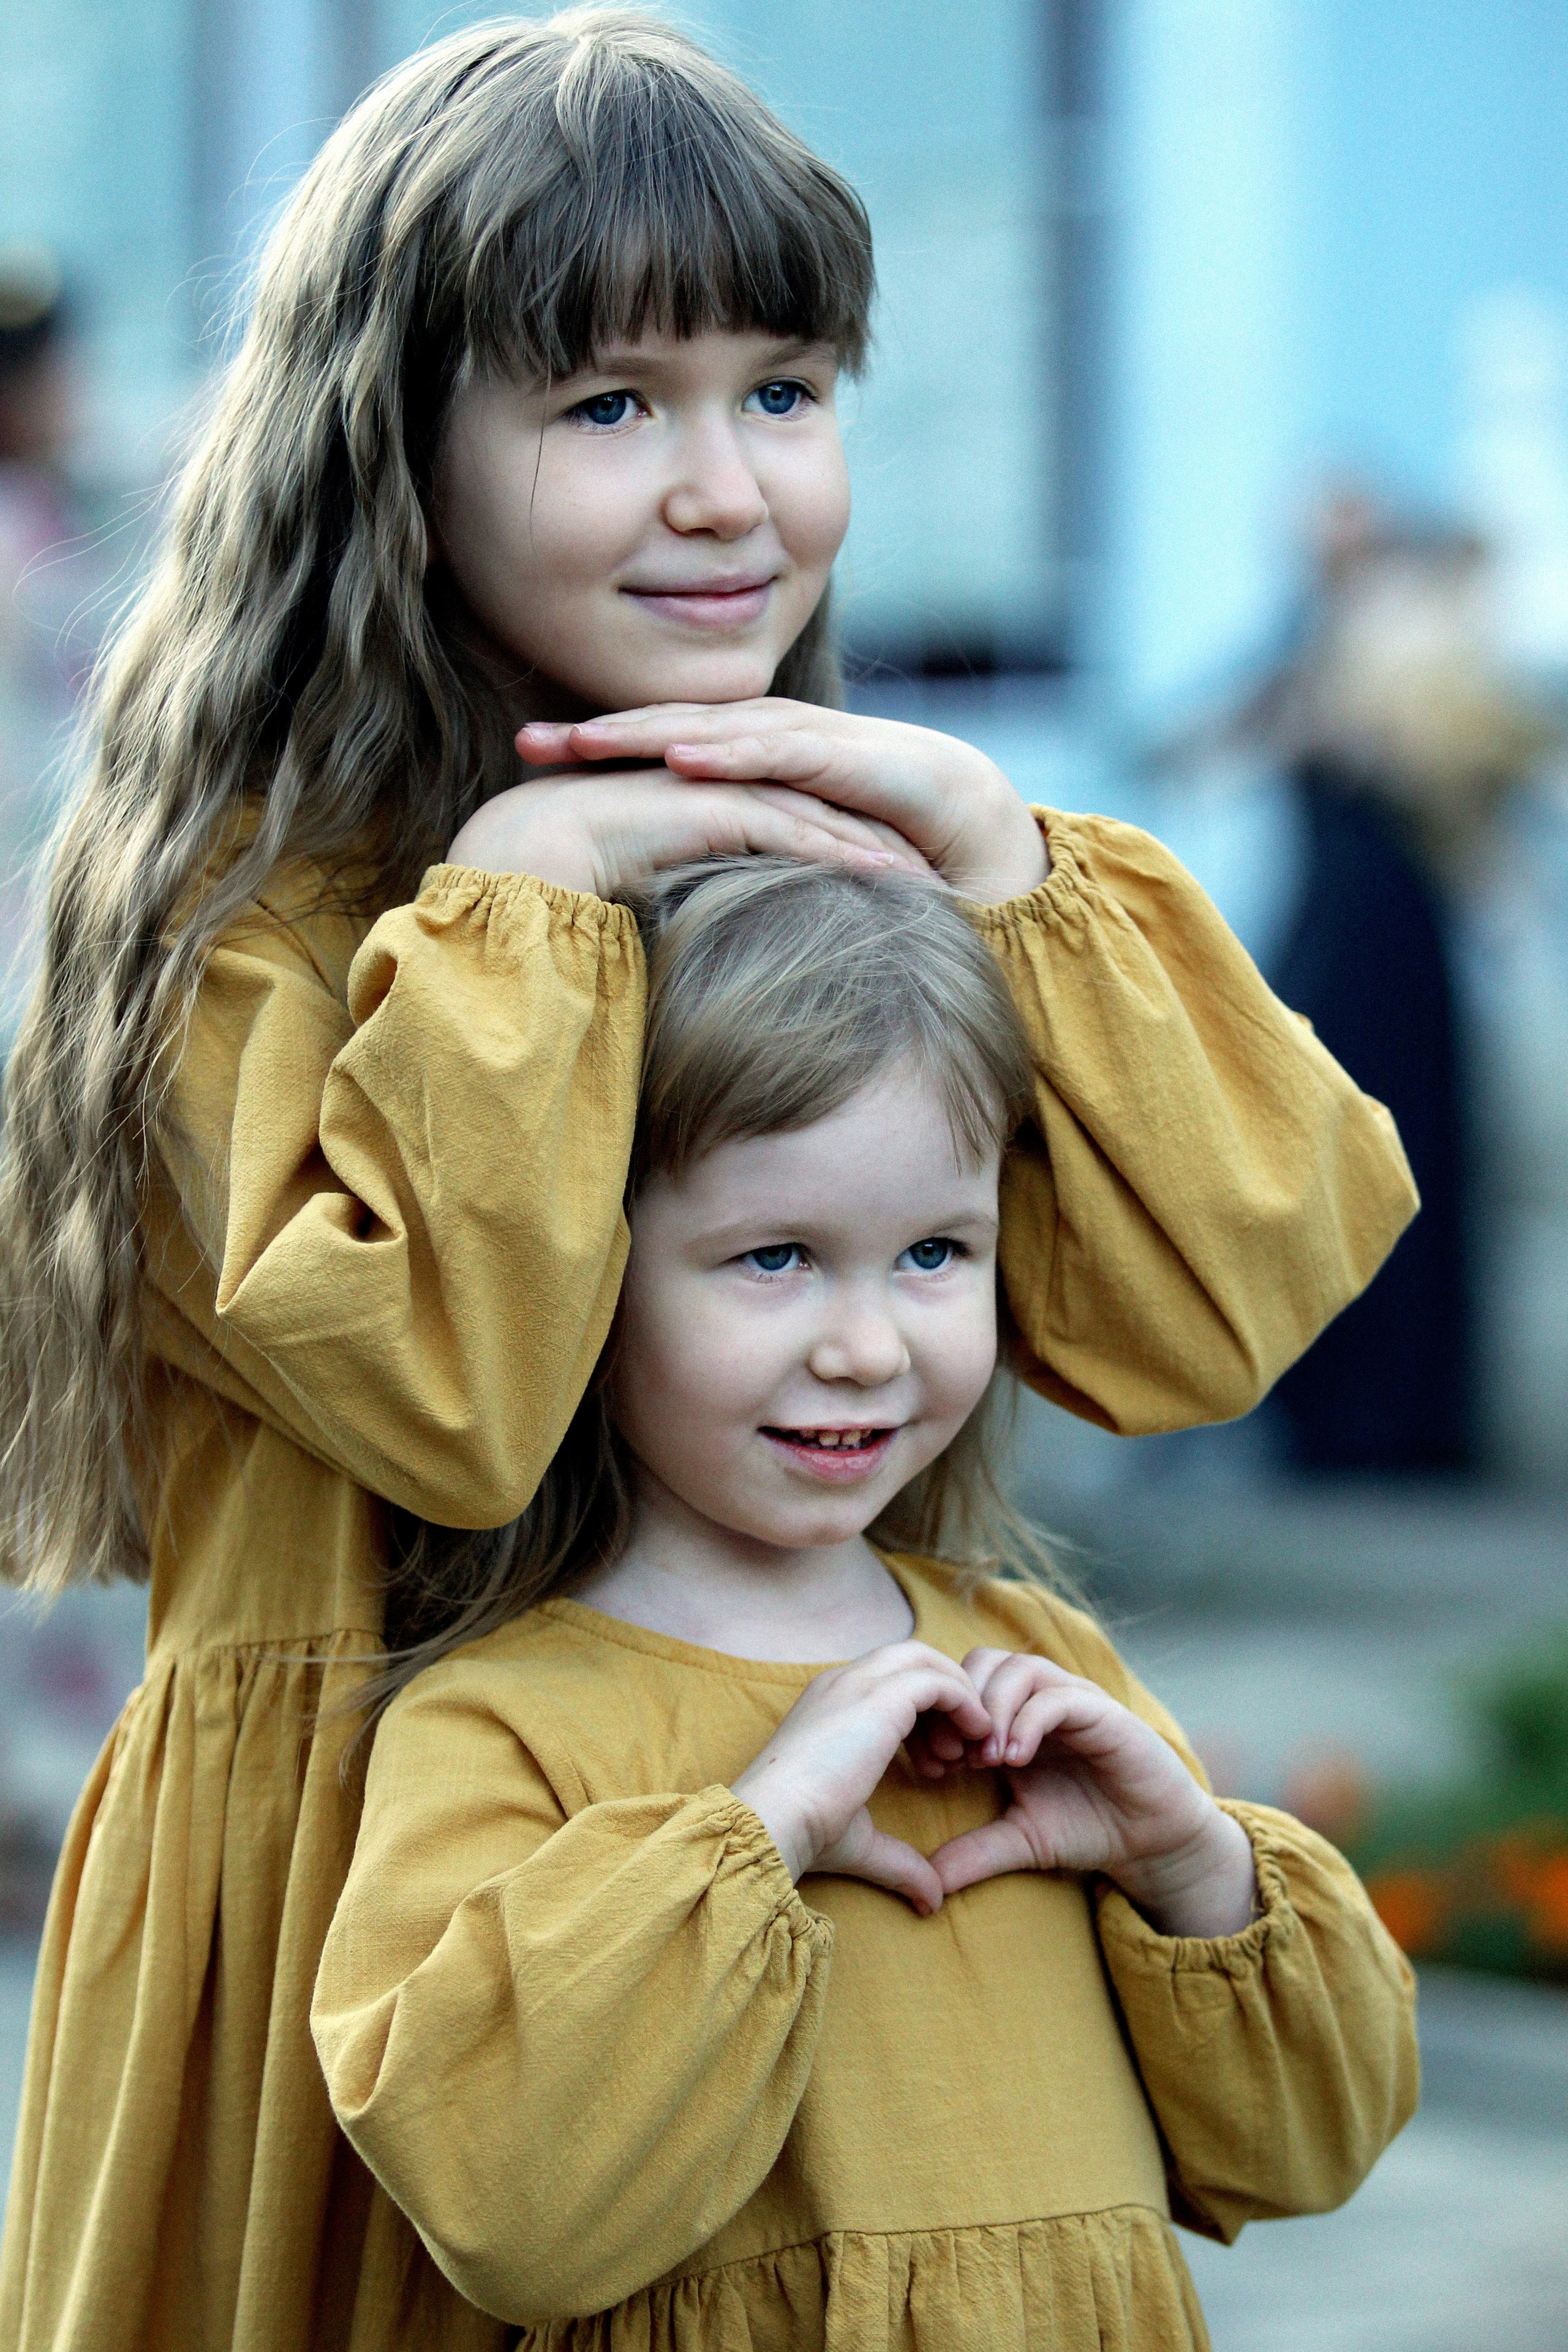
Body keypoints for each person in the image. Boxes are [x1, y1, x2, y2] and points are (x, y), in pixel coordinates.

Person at [0, 13, 1415, 2350]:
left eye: (784, 388)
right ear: (395, 453)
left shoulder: (858, 871)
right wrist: (530, 893)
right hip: (406, 1934)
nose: (725, 489)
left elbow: (1218, 1310)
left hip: (843, 1838)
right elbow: (442, 1397)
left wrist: (1001, 857)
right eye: (606, 405)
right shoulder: (243, 932)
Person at [313, 856, 1419, 2350]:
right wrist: (759, 1828)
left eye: (931, 1254)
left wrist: (1192, 1867)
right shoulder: (499, 1723)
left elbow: (1306, 2151)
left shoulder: (1036, 1665)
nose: (866, 1346)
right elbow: (505, 2204)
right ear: (591, 1272)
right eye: (773, 1257)